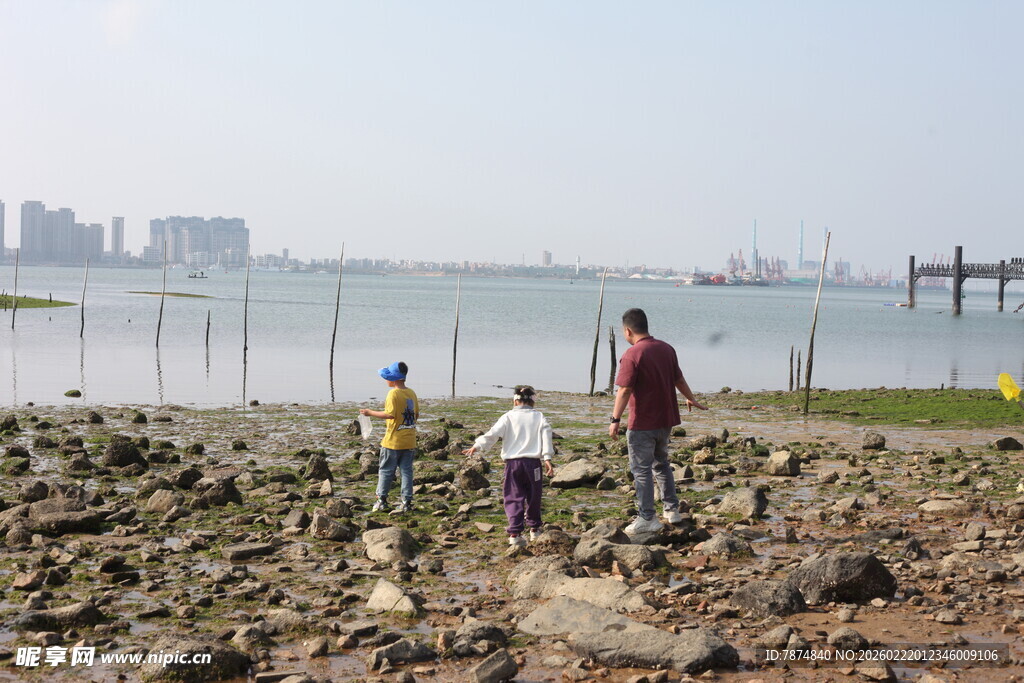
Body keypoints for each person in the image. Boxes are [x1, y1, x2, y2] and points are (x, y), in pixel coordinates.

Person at [609, 308, 707, 534]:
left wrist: (615, 419)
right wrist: (690, 398)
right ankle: (671, 510)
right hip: (665, 421)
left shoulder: (632, 354)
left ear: (627, 330)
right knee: (661, 464)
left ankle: (647, 518)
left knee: (641, 470)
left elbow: (624, 390)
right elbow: (678, 378)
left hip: (643, 422)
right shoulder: (666, 348)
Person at [463, 385, 555, 548]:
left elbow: (493, 434)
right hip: (533, 464)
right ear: (532, 402)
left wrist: (477, 445)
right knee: (534, 496)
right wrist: (547, 458)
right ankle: (534, 529)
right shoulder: (539, 417)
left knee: (513, 496)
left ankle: (515, 533)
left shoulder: (508, 417)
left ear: (514, 400)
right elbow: (546, 436)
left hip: (513, 464)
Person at [360, 361, 418, 514]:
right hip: (409, 439)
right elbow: (416, 415)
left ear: (393, 379)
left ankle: (381, 500)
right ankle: (407, 502)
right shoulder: (411, 393)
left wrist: (369, 412)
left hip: (393, 441)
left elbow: (390, 414)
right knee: (406, 471)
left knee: (386, 470)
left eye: (387, 377)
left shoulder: (393, 393)